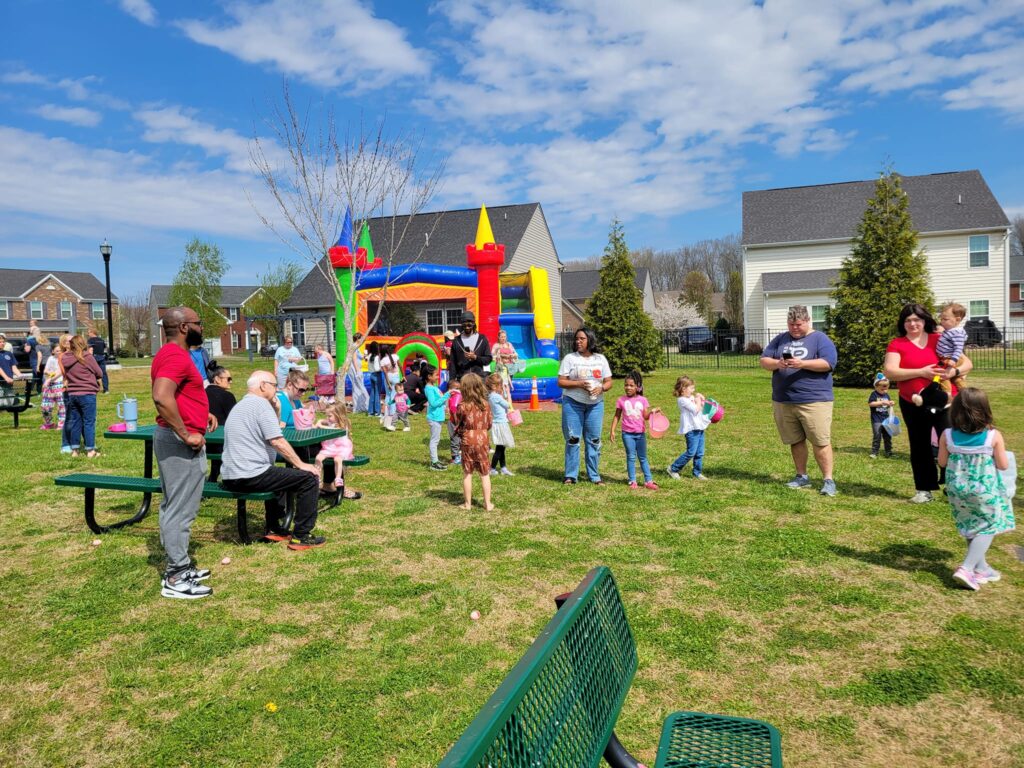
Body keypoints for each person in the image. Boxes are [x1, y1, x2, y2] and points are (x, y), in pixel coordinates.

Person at [151, 307, 217, 599]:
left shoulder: (171, 354)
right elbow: (161, 396)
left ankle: (181, 564)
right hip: (179, 443)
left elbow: (179, 395)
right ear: (182, 327)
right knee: (180, 509)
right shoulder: (175, 356)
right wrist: (186, 432)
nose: (201, 328)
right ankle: (176, 576)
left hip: (180, 437)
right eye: (198, 323)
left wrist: (203, 415)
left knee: (174, 504)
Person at [220, 371, 325, 550]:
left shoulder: (241, 405)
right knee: (308, 478)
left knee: (276, 474)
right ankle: (301, 535)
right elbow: (277, 440)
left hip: (231, 476)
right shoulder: (261, 405)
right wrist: (301, 464)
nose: (277, 389)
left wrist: (276, 410)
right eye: (274, 385)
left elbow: (271, 431)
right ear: (263, 386)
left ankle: (274, 528)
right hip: (250, 474)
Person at [883, 303, 972, 503]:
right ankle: (924, 489)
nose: (913, 324)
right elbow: (890, 371)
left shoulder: (940, 338)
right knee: (919, 444)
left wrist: (953, 372)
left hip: (946, 401)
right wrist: (921, 372)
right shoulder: (898, 344)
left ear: (925, 321)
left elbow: (967, 364)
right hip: (913, 402)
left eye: (917, 319)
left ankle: (954, 486)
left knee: (951, 442)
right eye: (908, 320)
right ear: (902, 323)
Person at [938, 387, 1015, 590]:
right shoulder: (993, 436)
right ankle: (967, 567)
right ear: (985, 410)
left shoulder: (947, 435)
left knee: (971, 525)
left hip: (957, 490)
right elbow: (1003, 465)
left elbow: (942, 462)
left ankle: (983, 568)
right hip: (984, 490)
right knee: (989, 525)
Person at [760, 305, 838, 497]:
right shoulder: (781, 339)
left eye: (798, 324)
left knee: (820, 441)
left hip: (814, 400)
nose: (794, 328)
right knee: (795, 440)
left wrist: (802, 363)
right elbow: (764, 360)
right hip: (784, 400)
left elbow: (828, 363)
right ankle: (801, 476)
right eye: (791, 324)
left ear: (807, 321)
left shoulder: (820, 339)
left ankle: (828, 480)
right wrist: (778, 363)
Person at [557, 327, 612, 485]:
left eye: (582, 338)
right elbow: (561, 381)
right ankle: (570, 475)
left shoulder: (600, 359)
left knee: (594, 440)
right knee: (573, 439)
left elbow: (609, 381)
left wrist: (601, 387)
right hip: (573, 403)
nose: (578, 341)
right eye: (577, 339)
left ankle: (594, 476)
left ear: (590, 340)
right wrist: (579, 384)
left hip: (595, 405)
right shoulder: (570, 358)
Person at [609, 370, 659, 489]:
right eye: (626, 385)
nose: (628, 387)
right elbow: (617, 416)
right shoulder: (621, 400)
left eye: (631, 385)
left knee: (642, 457)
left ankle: (648, 481)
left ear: (638, 386)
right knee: (631, 456)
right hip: (627, 434)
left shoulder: (643, 400)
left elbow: (645, 417)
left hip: (640, 434)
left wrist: (652, 412)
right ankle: (632, 480)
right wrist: (612, 430)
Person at [454, 372, 494, 510]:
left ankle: (467, 504)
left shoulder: (462, 406)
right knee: (484, 473)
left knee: (467, 473)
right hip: (482, 439)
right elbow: (489, 424)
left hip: (468, 439)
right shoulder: (486, 404)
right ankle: (488, 504)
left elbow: (457, 423)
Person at [61, 335, 103, 458]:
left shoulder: (66, 358)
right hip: (87, 393)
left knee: (76, 422)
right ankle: (90, 450)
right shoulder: (87, 357)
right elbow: (99, 373)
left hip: (73, 394)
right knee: (89, 422)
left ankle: (75, 450)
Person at [666, 375, 710, 480]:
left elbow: (701, 407)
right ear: (683, 389)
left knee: (700, 452)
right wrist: (698, 400)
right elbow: (695, 409)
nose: (693, 390)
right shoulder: (682, 400)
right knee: (691, 452)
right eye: (691, 388)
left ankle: (697, 472)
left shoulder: (690, 398)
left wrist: (701, 399)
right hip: (691, 429)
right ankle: (673, 468)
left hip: (699, 427)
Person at [312, 401, 358, 497]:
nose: (327, 418)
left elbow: (336, 430)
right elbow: (321, 422)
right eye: (327, 415)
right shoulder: (330, 421)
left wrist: (322, 426)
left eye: (330, 416)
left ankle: (338, 479)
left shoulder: (343, 423)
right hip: (330, 447)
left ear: (338, 415)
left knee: (338, 459)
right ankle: (317, 477)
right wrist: (319, 422)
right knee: (318, 458)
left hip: (341, 448)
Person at [205, 365, 237, 482]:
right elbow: (234, 420)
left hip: (202, 441)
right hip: (221, 443)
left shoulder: (202, 393)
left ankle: (212, 477)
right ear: (217, 379)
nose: (231, 381)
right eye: (228, 379)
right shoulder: (227, 396)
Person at [934, 302, 968, 395]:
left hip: (950, 358)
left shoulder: (957, 333)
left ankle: (947, 394)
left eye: (945, 319)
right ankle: (964, 392)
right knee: (955, 378)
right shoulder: (950, 331)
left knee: (942, 376)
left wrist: (953, 360)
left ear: (957, 319)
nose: (942, 321)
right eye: (941, 319)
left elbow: (958, 348)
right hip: (948, 358)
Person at [449, 311, 492, 381]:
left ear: (474, 323)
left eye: (469, 325)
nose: (467, 327)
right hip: (462, 379)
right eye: (464, 325)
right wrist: (451, 381)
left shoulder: (482, 339)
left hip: (479, 379)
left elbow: (488, 359)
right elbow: (453, 363)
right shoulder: (456, 341)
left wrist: (475, 357)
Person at [486, 373, 515, 477]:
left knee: (502, 447)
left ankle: (503, 468)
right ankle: (492, 468)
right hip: (501, 424)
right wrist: (507, 393)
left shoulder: (490, 396)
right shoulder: (497, 396)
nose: (501, 387)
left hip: (498, 423)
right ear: (495, 386)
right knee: (499, 448)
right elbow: (508, 405)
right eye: (500, 385)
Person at [424, 365, 452, 470]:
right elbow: (433, 403)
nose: (437, 377)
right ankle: (434, 463)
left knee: (436, 439)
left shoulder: (434, 387)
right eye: (435, 375)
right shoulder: (429, 389)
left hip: (438, 417)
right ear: (429, 376)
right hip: (434, 418)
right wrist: (446, 395)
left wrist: (445, 406)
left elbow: (439, 402)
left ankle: (435, 460)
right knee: (434, 440)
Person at [39, 335, 68, 431]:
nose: (59, 352)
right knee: (45, 406)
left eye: (60, 350)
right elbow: (46, 371)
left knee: (61, 406)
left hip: (59, 384)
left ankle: (61, 424)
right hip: (50, 386)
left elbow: (60, 372)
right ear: (52, 352)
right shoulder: (51, 359)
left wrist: (49, 379)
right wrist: (49, 375)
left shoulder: (64, 359)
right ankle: (49, 423)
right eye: (57, 351)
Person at [868, 374, 894, 459]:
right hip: (877, 420)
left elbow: (888, 403)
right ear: (876, 386)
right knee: (877, 435)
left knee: (887, 436)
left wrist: (891, 403)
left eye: (886, 387)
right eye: (882, 388)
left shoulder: (886, 395)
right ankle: (875, 452)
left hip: (886, 419)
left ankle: (888, 451)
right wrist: (881, 403)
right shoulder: (874, 394)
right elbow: (871, 404)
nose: (884, 389)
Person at [491, 329, 518, 402]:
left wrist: (512, 355)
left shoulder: (509, 344)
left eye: (504, 337)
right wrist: (498, 356)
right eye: (502, 337)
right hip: (500, 367)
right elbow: (492, 356)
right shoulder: (496, 345)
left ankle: (507, 399)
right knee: (500, 383)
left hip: (509, 367)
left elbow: (516, 354)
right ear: (498, 337)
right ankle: (501, 399)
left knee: (508, 384)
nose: (503, 338)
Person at [86, 327, 109, 394]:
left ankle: (94, 388)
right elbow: (104, 348)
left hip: (93, 358)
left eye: (89, 332)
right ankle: (106, 389)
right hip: (102, 357)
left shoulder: (90, 340)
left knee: (92, 373)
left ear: (92, 333)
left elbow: (88, 349)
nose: (88, 334)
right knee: (103, 373)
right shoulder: (101, 340)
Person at [447, 378, 462, 465]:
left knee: (459, 440)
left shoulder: (456, 396)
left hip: (457, 422)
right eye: (456, 388)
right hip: (454, 423)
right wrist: (457, 423)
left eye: (459, 388)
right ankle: (454, 458)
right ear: (450, 389)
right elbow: (454, 410)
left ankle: (459, 456)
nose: (458, 390)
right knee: (455, 440)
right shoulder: (454, 397)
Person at [365, 342, 382, 418]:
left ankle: (370, 411)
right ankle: (377, 412)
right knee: (377, 393)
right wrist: (382, 368)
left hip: (371, 375)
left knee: (372, 393)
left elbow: (366, 359)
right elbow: (377, 368)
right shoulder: (377, 357)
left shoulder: (369, 356)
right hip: (377, 375)